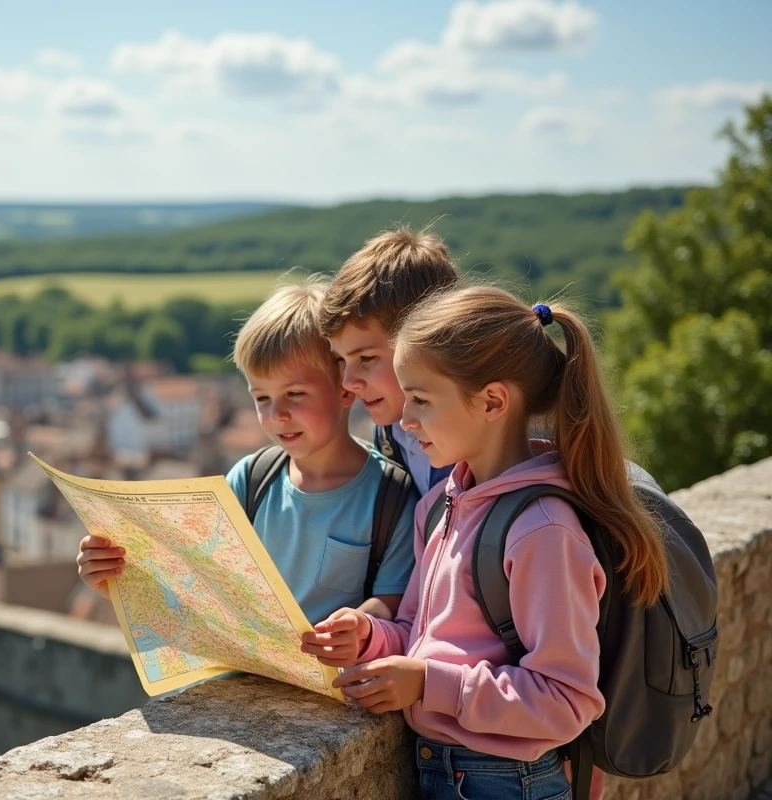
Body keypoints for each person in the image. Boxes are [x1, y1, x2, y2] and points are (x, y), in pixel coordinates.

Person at [306, 286, 669, 800]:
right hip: (450, 770)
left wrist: (430, 684)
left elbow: (565, 700)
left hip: (514, 782)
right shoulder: (443, 503)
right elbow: (422, 633)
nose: (406, 420)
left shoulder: (543, 530)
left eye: (423, 400)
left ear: (493, 401)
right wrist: (370, 636)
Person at [77, 275, 417, 627]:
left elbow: (391, 607)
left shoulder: (392, 498)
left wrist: (357, 629)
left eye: (295, 394)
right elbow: (204, 587)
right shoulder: (251, 480)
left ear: (345, 389)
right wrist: (118, 580)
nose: (277, 414)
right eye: (261, 398)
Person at [319, 226, 460, 493]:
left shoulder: (480, 448)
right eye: (341, 360)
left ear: (430, 340)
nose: (348, 382)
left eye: (367, 358)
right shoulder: (390, 434)